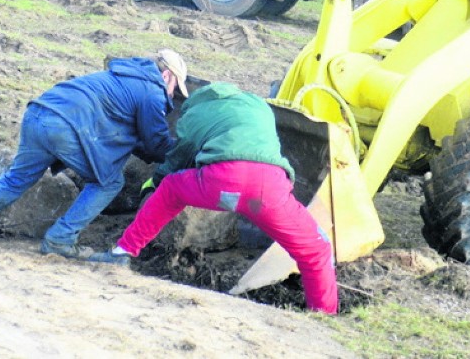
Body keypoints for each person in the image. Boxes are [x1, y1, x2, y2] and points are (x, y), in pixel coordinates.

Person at [89, 82, 339, 315]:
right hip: (267, 190)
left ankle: (123, 251)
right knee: (315, 249)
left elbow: (179, 158)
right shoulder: (259, 106)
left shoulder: (194, 115)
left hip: (221, 184)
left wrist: (155, 182)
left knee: (170, 189)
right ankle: (324, 314)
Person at [0, 49, 188, 258]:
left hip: (38, 112)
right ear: (167, 75)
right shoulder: (152, 91)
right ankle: (60, 240)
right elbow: (156, 143)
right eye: (175, 88)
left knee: (15, 179)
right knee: (109, 183)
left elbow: (132, 135)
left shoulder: (122, 75)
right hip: (64, 127)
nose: (172, 94)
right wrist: (185, 152)